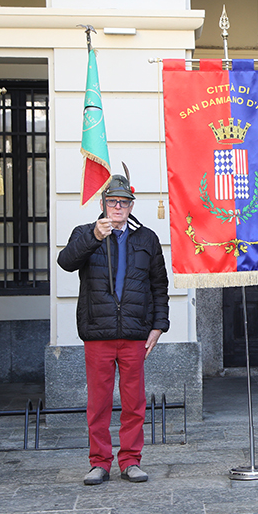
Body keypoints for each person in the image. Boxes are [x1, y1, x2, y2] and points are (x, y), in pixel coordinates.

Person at [57, 175, 169, 486]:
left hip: (135, 333)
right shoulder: (85, 233)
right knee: (99, 403)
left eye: (123, 202)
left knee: (134, 403)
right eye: (111, 202)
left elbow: (159, 285)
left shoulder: (146, 238)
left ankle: (131, 460)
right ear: (103, 205)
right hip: (98, 332)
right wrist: (94, 236)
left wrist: (159, 325)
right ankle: (99, 462)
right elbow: (65, 262)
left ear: (131, 206)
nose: (117, 207)